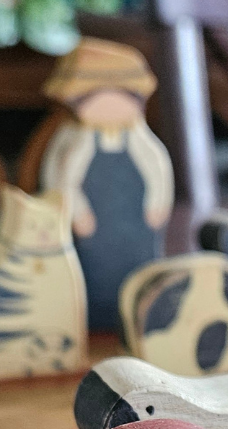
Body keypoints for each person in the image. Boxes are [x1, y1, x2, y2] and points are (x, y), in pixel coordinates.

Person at [41, 39, 174, 333]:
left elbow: (158, 170)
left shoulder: (139, 138)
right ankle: (95, 320)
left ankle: (140, 316)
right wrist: (77, 212)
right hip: (92, 225)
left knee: (140, 270)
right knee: (92, 272)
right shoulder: (74, 141)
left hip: (135, 221)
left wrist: (158, 204)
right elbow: (61, 180)